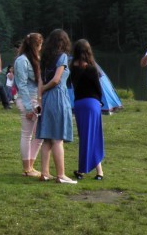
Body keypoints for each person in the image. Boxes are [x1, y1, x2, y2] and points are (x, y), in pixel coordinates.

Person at [36, 29, 76, 184]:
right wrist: (45, 88)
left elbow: (40, 80)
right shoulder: (63, 57)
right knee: (58, 138)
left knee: (47, 138)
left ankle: (45, 173)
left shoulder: (45, 59)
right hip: (57, 97)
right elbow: (56, 80)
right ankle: (61, 175)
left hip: (46, 99)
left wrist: (40, 94)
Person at [69, 39, 105, 180]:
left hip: (79, 104)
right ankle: (96, 171)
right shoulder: (91, 68)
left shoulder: (72, 68)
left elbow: (71, 85)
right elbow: (98, 88)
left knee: (85, 137)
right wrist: (100, 101)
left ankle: (84, 170)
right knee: (94, 136)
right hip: (92, 103)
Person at [13, 33, 44, 177]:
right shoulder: (22, 60)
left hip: (37, 100)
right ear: (35, 45)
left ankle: (31, 166)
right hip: (27, 99)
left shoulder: (36, 59)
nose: (41, 47)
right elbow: (22, 85)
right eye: (40, 45)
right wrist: (28, 107)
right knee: (27, 134)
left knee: (40, 135)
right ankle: (26, 168)